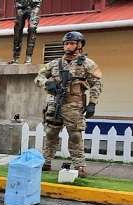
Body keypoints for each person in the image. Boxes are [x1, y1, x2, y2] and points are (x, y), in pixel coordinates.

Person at [35, 31, 102, 178]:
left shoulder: (87, 64)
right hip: (55, 103)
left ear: (79, 45)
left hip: (74, 105)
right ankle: (46, 161)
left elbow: (96, 84)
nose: (68, 46)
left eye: (71, 43)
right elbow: (38, 77)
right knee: (51, 133)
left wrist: (92, 103)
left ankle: (79, 165)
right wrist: (47, 83)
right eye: (66, 43)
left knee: (75, 136)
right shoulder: (55, 63)